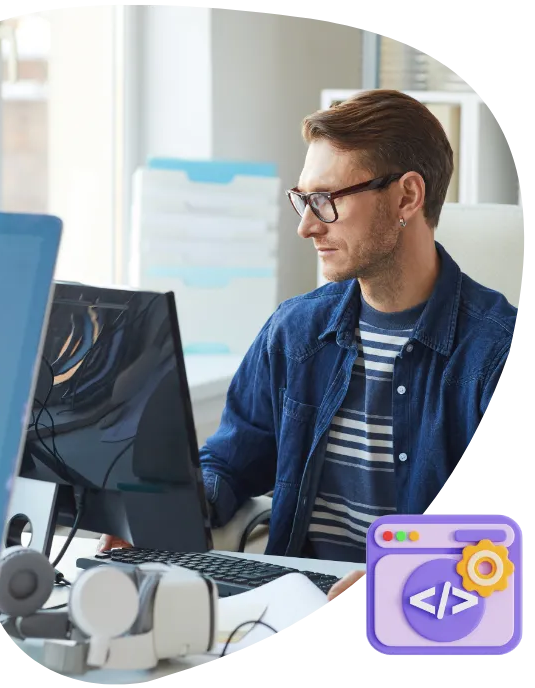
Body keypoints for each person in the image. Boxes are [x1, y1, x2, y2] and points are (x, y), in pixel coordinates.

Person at [99, 89, 518, 601]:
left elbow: (502, 547)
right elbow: (229, 462)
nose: (306, 226)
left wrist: (398, 585)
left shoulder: (494, 353)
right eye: (303, 199)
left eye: (326, 200)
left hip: (427, 610)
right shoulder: (294, 332)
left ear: (407, 197)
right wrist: (161, 517)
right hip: (289, 600)